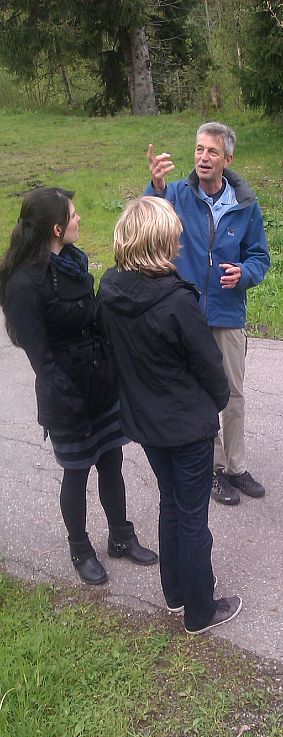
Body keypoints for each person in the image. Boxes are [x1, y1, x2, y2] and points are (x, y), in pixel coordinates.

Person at [98, 195, 242, 634]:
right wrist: (214, 403)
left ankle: (176, 594)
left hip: (146, 422)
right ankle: (200, 610)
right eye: (175, 237)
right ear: (160, 243)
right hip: (186, 425)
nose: (180, 243)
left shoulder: (108, 288)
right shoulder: (177, 301)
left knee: (169, 503)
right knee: (192, 515)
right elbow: (210, 367)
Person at [0, 187, 158, 585]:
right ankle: (80, 548)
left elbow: (95, 319)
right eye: (73, 214)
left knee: (112, 461)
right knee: (77, 470)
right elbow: (40, 357)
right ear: (56, 227)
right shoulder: (24, 285)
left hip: (100, 381)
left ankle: (121, 536)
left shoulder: (73, 262)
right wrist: (68, 399)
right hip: (65, 393)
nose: (79, 219)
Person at [145, 121, 270, 506]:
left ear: (227, 159)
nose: (203, 157)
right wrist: (156, 187)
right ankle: (213, 470)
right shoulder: (178, 195)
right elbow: (148, 223)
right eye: (199, 150)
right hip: (186, 314)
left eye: (212, 151)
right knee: (199, 395)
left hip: (228, 314)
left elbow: (260, 257)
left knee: (232, 394)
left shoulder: (245, 204)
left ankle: (236, 467)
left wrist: (245, 273)